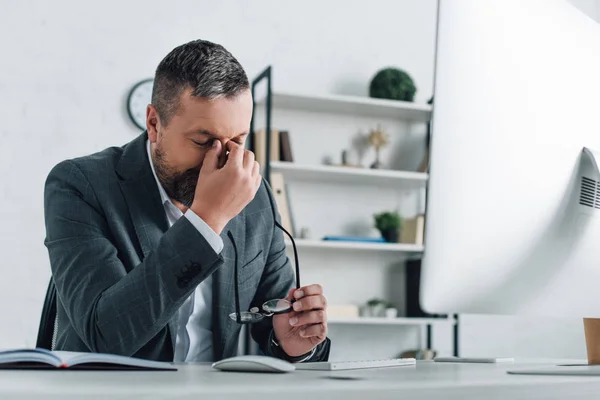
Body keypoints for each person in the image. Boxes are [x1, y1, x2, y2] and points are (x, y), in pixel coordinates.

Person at [42, 39, 331, 363]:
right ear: (154, 124)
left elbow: (277, 322)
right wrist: (207, 220)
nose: (222, 161)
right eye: (203, 140)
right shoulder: (79, 185)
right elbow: (106, 336)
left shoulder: (255, 195)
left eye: (237, 140)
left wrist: (291, 341)